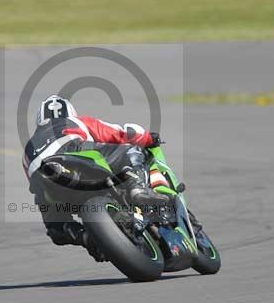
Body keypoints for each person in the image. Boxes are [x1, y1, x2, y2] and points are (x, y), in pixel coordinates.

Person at [23, 95, 167, 254]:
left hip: (47, 181)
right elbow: (118, 133)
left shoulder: (27, 150)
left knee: (56, 227)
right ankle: (137, 188)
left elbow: (34, 185)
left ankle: (87, 239)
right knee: (130, 149)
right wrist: (148, 138)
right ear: (70, 112)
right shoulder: (76, 121)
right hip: (72, 152)